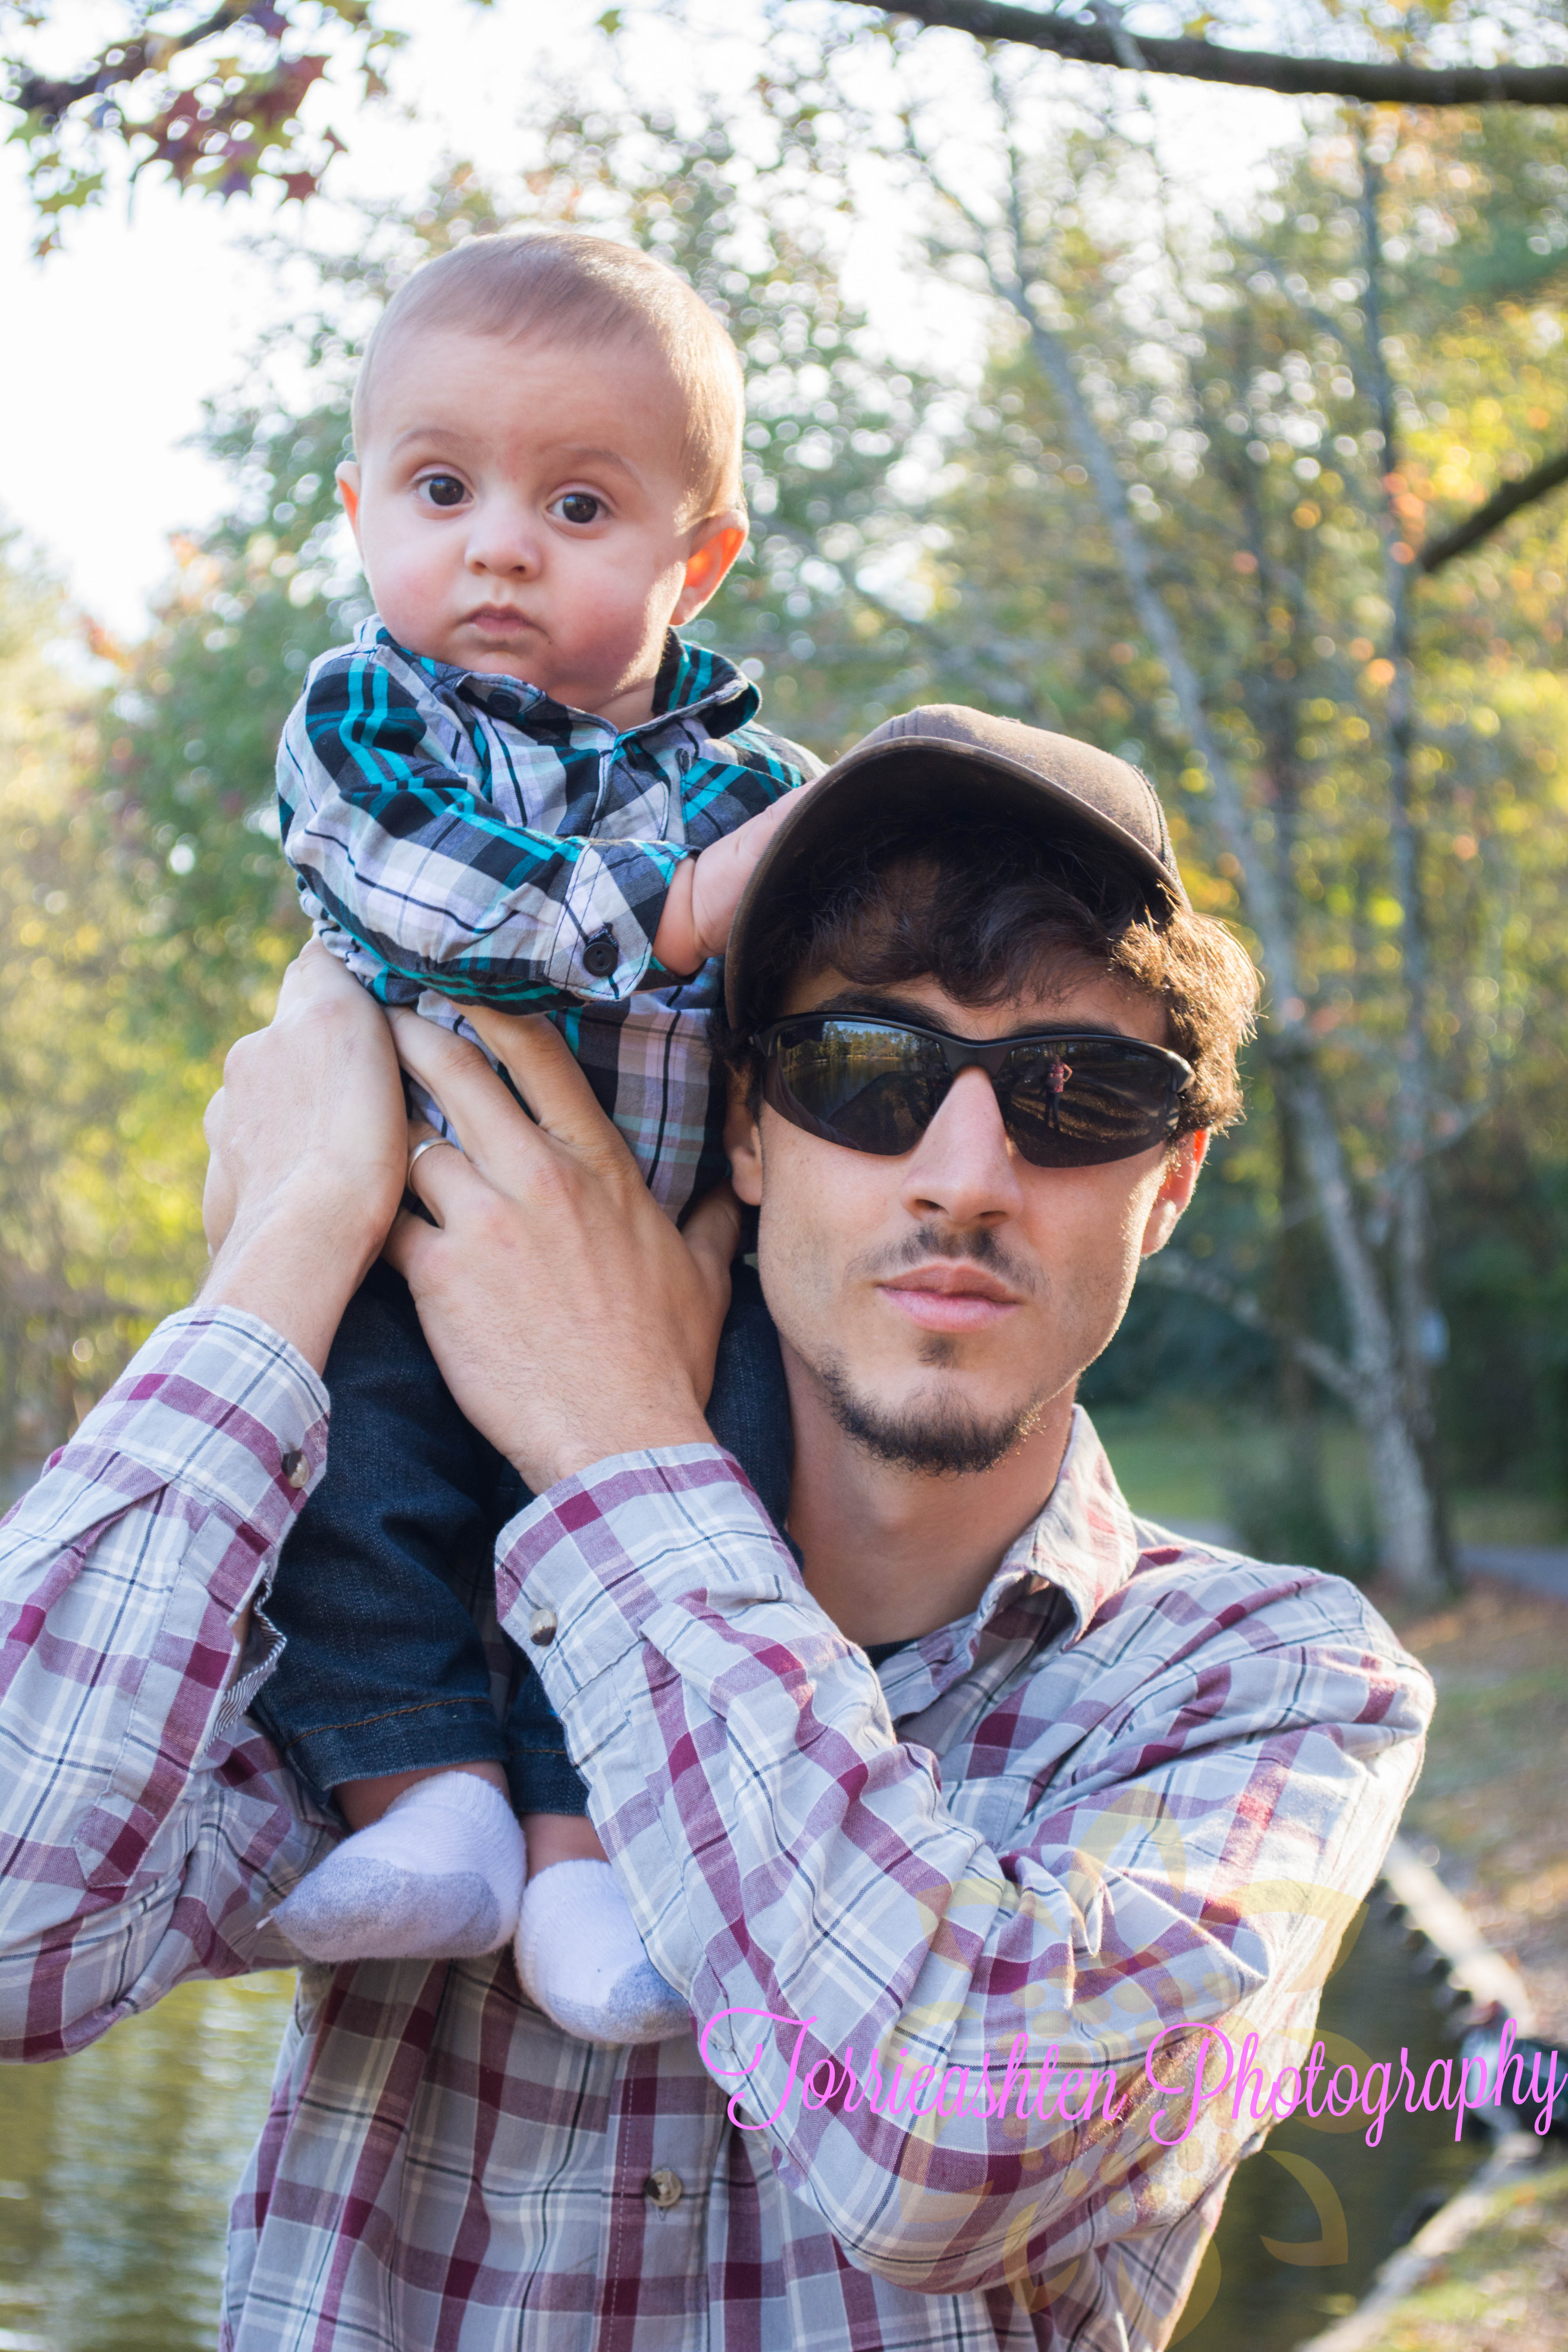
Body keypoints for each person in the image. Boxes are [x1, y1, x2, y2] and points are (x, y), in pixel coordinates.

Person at [0, 708, 1434, 2352]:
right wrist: (290, 1248)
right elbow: (21, 1942)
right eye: (869, 1070)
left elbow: (950, 2151)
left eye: (1075, 1093)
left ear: (1169, 1180)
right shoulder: (409, 1603)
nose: (965, 1175)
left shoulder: (1273, 1684)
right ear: (748, 1127)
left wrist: (610, 1441)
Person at [259, 226, 818, 2034]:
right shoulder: (372, 715)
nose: (498, 542)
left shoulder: (760, 793)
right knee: (355, 1474)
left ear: (695, 558)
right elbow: (429, 894)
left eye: (579, 507)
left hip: (674, 1273)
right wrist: (678, 909)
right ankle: (423, 1796)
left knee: (706, 1500)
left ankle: (586, 1849)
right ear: (364, 512)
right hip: (415, 1244)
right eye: (443, 490)